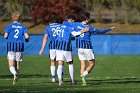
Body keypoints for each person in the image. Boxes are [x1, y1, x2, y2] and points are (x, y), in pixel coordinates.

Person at [71, 12, 116, 85]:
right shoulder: (89, 27)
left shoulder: (76, 24)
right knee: (92, 64)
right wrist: (110, 29)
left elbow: (67, 24)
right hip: (87, 48)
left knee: (83, 65)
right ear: (87, 19)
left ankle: (83, 81)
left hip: (79, 48)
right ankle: (84, 75)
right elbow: (100, 32)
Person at [55, 17, 89, 86]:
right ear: (70, 20)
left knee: (60, 64)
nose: (73, 23)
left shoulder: (59, 26)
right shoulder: (68, 26)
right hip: (66, 47)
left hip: (58, 46)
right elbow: (75, 34)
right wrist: (83, 31)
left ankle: (60, 81)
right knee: (70, 63)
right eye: (73, 21)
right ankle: (72, 80)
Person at [4, 11, 29, 85]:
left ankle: (14, 73)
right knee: (17, 63)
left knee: (11, 65)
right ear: (19, 18)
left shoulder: (9, 26)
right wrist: (27, 40)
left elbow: (5, 36)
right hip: (19, 46)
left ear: (12, 18)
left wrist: (8, 37)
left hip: (11, 46)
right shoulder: (23, 26)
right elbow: (27, 36)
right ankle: (15, 78)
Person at [39, 14, 61, 82]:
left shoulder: (48, 27)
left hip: (52, 47)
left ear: (50, 21)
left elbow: (45, 38)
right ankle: (60, 77)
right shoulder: (61, 26)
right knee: (60, 62)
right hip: (60, 46)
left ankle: (53, 78)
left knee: (52, 62)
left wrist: (42, 49)